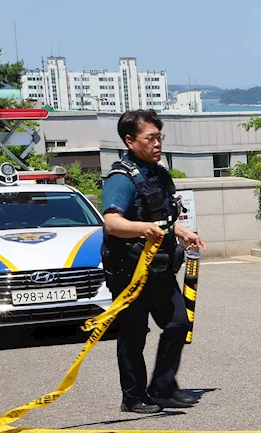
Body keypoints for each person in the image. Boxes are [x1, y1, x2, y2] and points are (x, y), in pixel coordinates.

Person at [101, 109, 205, 414]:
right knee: (134, 333)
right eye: (151, 138)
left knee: (178, 323)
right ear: (130, 140)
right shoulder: (121, 179)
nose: (158, 143)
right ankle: (133, 397)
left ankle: (162, 386)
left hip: (158, 269)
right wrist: (142, 229)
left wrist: (182, 232)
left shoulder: (158, 172)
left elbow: (162, 217)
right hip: (129, 271)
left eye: (160, 137)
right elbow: (112, 223)